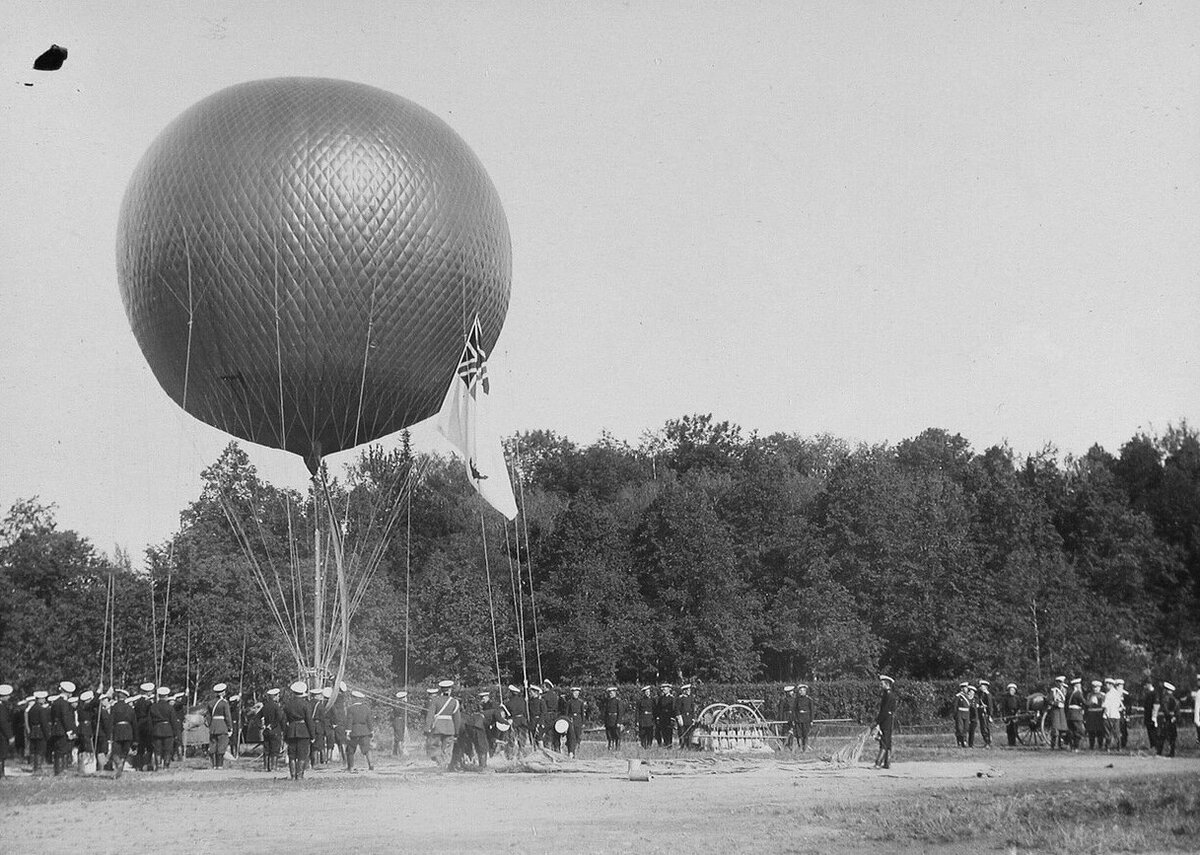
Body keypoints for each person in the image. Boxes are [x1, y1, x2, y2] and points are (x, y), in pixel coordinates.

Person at [282, 681, 314, 780]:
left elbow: (283, 720)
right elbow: (309, 720)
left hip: (291, 731)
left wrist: (285, 732)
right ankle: (299, 776)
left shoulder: (287, 704)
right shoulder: (306, 704)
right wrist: (312, 735)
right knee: (302, 754)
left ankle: (292, 776)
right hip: (303, 731)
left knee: (292, 755)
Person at [425, 680, 460, 767]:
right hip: (449, 728)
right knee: (447, 749)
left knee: (435, 747)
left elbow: (430, 716)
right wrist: (457, 732)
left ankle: (440, 763)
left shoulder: (435, 700)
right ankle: (446, 765)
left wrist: (427, 728)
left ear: (441, 690)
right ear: (450, 690)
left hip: (437, 727)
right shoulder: (454, 702)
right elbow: (457, 719)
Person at [108, 688, 137, 778]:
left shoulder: (114, 708)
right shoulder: (130, 708)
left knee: (115, 752)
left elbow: (111, 721)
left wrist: (109, 735)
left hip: (117, 731)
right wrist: (136, 738)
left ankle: (119, 764)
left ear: (117, 697)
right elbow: (134, 723)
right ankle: (121, 767)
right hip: (128, 731)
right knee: (124, 752)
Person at [50, 681, 77, 775]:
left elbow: (53, 716)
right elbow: (66, 718)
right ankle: (61, 771)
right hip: (63, 730)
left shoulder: (56, 702)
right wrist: (69, 731)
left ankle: (58, 770)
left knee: (58, 750)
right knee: (63, 750)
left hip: (56, 729)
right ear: (68, 692)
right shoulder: (64, 703)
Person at [149, 686, 178, 770]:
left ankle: (158, 765)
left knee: (157, 750)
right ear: (166, 696)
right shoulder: (170, 707)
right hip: (168, 730)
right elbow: (173, 721)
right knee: (167, 750)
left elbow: (150, 721)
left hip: (156, 730)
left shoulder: (153, 707)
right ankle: (166, 766)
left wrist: (151, 732)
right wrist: (175, 733)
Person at [346, 690, 374, 771]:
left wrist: (348, 732)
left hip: (354, 732)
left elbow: (349, 721)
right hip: (365, 731)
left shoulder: (350, 709)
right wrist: (371, 731)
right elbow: (369, 721)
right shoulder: (366, 708)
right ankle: (371, 764)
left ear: (354, 699)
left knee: (350, 750)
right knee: (367, 749)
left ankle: (351, 766)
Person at [872, 675, 896, 769]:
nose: (880, 685)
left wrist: (877, 721)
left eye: (882, 683)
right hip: (888, 720)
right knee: (887, 741)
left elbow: (884, 711)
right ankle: (887, 763)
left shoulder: (888, 695)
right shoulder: (888, 694)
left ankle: (878, 763)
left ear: (887, 684)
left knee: (884, 742)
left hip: (886, 721)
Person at [207, 683, 232, 768]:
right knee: (222, 745)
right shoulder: (224, 703)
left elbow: (208, 716)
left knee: (213, 745)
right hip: (222, 725)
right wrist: (230, 727)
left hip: (213, 726)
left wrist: (211, 726)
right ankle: (219, 765)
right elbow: (227, 716)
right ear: (222, 693)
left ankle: (213, 765)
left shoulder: (210, 703)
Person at [260, 688, 284, 772]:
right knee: (274, 749)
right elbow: (280, 718)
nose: (278, 697)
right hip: (275, 730)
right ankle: (274, 767)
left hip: (266, 730)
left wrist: (261, 726)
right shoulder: (276, 706)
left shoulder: (265, 706)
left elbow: (256, 718)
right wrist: (273, 725)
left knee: (266, 749)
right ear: (274, 697)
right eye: (277, 696)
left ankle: (266, 767)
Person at [27, 691, 50, 772]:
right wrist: (47, 735)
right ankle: (38, 768)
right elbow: (44, 723)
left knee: (34, 749)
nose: (44, 700)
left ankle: (34, 767)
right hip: (40, 731)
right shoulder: (41, 709)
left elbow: (29, 722)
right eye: (43, 698)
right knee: (40, 749)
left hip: (33, 731)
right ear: (38, 699)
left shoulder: (31, 709)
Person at [1156, 681, 1179, 758]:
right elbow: (1178, 711)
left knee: (1162, 736)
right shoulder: (1176, 700)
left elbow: (1165, 709)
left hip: (1166, 720)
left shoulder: (1165, 698)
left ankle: (1159, 752)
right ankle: (1172, 753)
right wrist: (1174, 717)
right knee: (1172, 737)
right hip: (1173, 720)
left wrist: (1169, 716)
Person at [564, 687, 587, 758]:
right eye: (574, 693)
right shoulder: (569, 702)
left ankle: (577, 750)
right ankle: (571, 751)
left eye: (577, 693)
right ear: (572, 693)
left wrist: (583, 723)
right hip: (571, 720)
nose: (575, 694)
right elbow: (566, 713)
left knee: (578, 736)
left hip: (578, 720)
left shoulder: (581, 702)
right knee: (571, 736)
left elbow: (582, 713)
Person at [1101, 679, 1123, 752]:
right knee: (1117, 732)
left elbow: (1104, 705)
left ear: (1110, 685)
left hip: (1108, 715)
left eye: (1107, 684)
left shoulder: (1108, 694)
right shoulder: (1117, 693)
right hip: (1116, 715)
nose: (1106, 686)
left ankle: (1108, 747)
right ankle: (1119, 747)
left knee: (1108, 732)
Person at [1084, 680, 1106, 750]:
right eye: (1094, 687)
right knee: (1091, 731)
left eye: (1097, 687)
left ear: (1100, 688)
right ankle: (1091, 745)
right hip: (1091, 715)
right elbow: (1086, 705)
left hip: (1099, 714)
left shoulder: (1103, 695)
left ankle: (1100, 745)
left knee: (1100, 731)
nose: (1095, 689)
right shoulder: (1089, 695)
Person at [541, 681, 562, 751]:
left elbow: (543, 708)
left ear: (547, 687)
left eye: (543, 687)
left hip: (547, 717)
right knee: (556, 735)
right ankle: (557, 750)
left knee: (548, 735)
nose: (542, 688)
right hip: (555, 716)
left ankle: (548, 751)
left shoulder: (544, 697)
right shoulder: (555, 696)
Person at [600, 686, 623, 750]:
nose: (611, 694)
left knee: (616, 735)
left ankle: (617, 747)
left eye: (612, 693)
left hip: (615, 720)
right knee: (609, 735)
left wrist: (619, 722)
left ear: (615, 693)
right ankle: (610, 746)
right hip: (608, 720)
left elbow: (620, 712)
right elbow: (605, 712)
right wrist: (605, 721)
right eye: (610, 693)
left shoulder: (618, 701)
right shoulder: (607, 701)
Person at [1065, 677, 1085, 751]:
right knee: (1078, 731)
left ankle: (1071, 746)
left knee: (1071, 731)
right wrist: (1092, 702)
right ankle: (1076, 747)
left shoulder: (1069, 693)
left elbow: (1066, 705)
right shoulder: (1078, 693)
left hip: (1069, 714)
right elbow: (1084, 703)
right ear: (1076, 686)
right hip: (1076, 715)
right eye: (1079, 685)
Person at [1049, 676, 1068, 750]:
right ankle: (1053, 745)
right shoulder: (1053, 691)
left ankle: (1061, 744)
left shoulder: (1065, 690)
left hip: (1063, 711)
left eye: (1061, 682)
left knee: (1063, 728)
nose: (1060, 684)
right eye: (1059, 682)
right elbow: (1049, 700)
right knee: (1055, 728)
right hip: (1055, 711)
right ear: (1056, 683)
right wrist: (1056, 704)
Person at [794, 684, 814, 752]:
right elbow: (794, 710)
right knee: (799, 734)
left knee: (805, 734)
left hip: (806, 719)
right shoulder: (797, 700)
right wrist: (795, 719)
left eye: (803, 690)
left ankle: (805, 748)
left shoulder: (809, 699)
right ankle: (799, 747)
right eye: (800, 690)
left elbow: (812, 710)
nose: (802, 692)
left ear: (806, 691)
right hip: (799, 719)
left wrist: (811, 720)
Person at [675, 684, 696, 750]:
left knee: (689, 733)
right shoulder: (680, 698)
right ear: (684, 691)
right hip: (682, 717)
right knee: (682, 732)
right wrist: (679, 718)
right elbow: (677, 709)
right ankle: (682, 746)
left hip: (689, 717)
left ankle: (688, 746)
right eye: (687, 690)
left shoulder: (690, 698)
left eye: (689, 690)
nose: (689, 691)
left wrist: (693, 718)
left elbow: (692, 709)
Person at [654, 683, 675, 748]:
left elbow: (673, 708)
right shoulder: (661, 698)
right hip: (662, 717)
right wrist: (658, 716)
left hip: (669, 717)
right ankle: (665, 744)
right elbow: (658, 708)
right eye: (663, 689)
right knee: (663, 731)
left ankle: (669, 745)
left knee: (669, 732)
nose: (663, 690)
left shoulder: (672, 698)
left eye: (665, 689)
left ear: (669, 689)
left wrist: (672, 717)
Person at [0, 684, 13, 779]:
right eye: (8, 695)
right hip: (1, 735)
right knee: (2, 754)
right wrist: (10, 736)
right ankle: (1, 774)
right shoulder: (1, 708)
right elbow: (3, 722)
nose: (9, 697)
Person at [1142, 679, 1158, 751]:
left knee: (1153, 732)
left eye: (1145, 685)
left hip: (1152, 716)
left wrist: (1154, 716)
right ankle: (1152, 746)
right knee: (1150, 732)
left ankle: (1155, 746)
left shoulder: (1154, 693)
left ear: (1149, 684)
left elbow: (1156, 705)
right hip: (1148, 716)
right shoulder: (1148, 693)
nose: (1144, 687)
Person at [391, 691, 408, 757]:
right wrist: (404, 703)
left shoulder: (401, 704)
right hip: (398, 721)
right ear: (402, 698)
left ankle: (394, 753)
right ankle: (401, 753)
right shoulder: (398, 704)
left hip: (401, 721)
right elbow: (398, 711)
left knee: (399, 737)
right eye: (404, 697)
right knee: (399, 738)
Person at [976, 680, 993, 748]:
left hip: (986, 713)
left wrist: (990, 715)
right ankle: (986, 741)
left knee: (985, 728)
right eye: (980, 686)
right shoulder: (980, 694)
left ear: (985, 687)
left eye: (982, 686)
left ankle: (987, 742)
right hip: (981, 712)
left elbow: (990, 706)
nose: (981, 687)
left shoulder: (987, 695)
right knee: (983, 728)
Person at [953, 682, 971, 748]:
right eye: (965, 688)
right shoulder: (958, 696)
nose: (966, 689)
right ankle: (960, 742)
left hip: (967, 713)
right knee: (960, 729)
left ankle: (964, 741)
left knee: (965, 728)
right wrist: (955, 715)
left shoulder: (968, 696)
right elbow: (955, 706)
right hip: (960, 713)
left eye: (967, 688)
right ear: (962, 688)